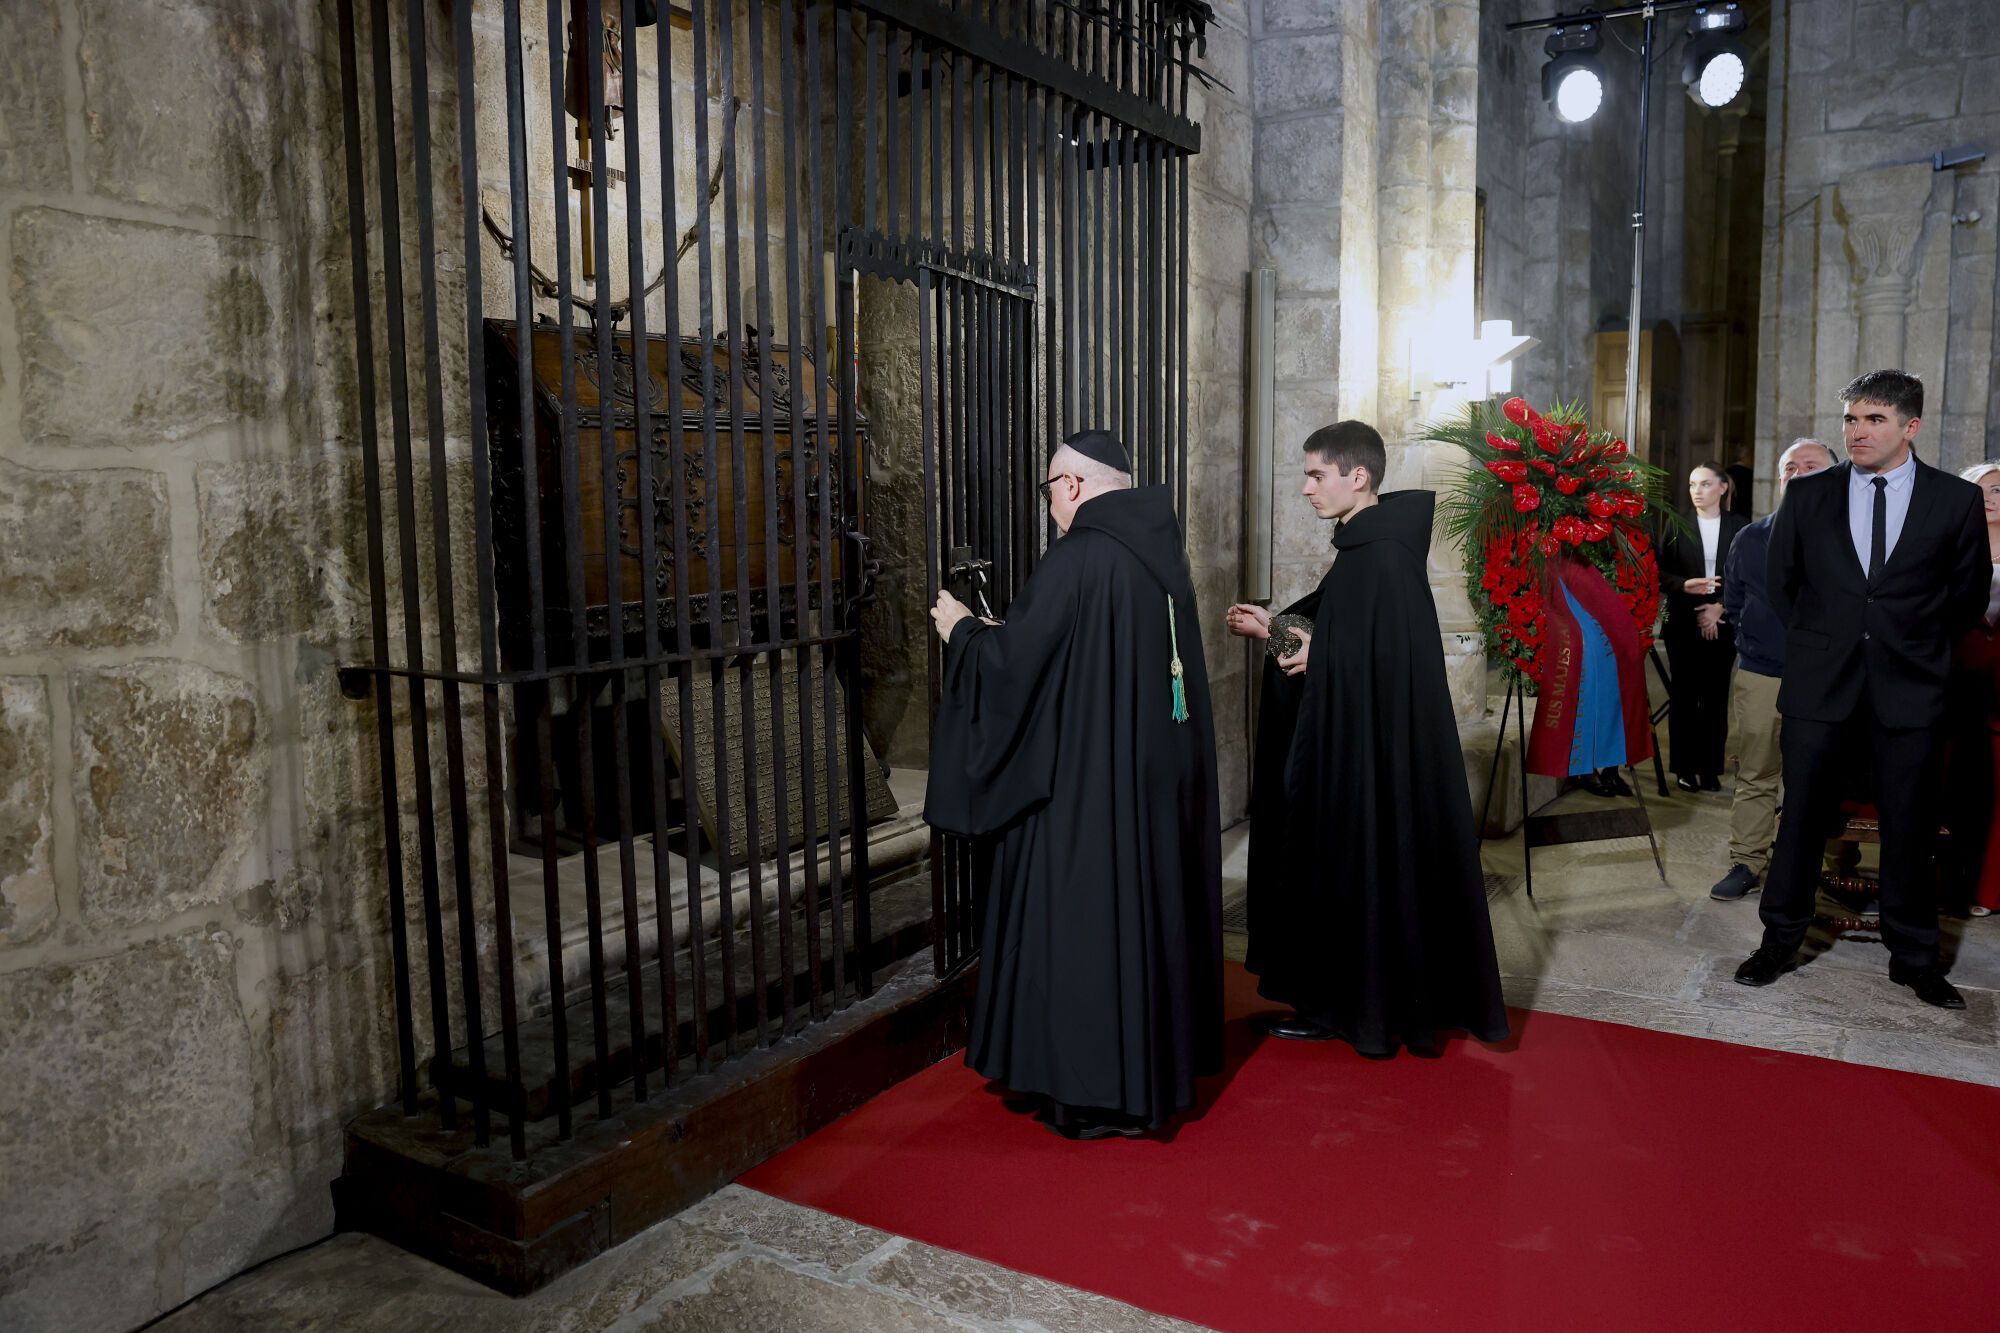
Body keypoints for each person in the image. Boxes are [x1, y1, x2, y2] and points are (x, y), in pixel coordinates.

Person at [926, 428, 1224, 1139]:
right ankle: (1148, 1075)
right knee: (1141, 919)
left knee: (1082, 927)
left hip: (1084, 790)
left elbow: (1015, 668)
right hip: (1144, 779)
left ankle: (1089, 1092)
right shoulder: (1161, 554)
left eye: (1049, 488)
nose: (1050, 503)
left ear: (1073, 485)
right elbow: (1083, 656)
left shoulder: (1078, 555)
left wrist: (964, 634)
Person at [1226, 421, 1508, 1055]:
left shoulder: (1383, 556)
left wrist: (1315, 651)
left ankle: (1350, 1009)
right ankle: (1347, 1001)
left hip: (1367, 760)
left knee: (1358, 869)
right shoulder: (1364, 547)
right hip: (1353, 748)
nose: (1306, 489)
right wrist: (1276, 630)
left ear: (1358, 476)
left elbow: (1388, 663)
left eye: (1316, 475)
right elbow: (1346, 639)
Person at [1734, 371, 1989, 1009]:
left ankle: (1916, 958)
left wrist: (1908, 646)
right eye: (1851, 419)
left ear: (1910, 426)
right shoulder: (1809, 494)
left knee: (1910, 826)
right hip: (1821, 686)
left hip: (1911, 688)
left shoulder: (1954, 499)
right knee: (1801, 819)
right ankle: (1779, 941)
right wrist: (1829, 640)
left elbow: (1965, 598)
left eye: (1874, 420)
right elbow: (1784, 584)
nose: (1858, 431)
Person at [1709, 439, 1837, 901]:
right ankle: (1746, 860)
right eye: (1790, 467)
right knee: (1757, 771)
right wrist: (1758, 642)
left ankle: (1818, 862)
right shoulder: (1752, 537)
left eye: (1811, 466)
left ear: (1836, 477)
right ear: (1780, 478)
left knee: (1820, 776)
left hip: (1826, 678)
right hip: (1763, 674)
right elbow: (1735, 602)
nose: (1799, 473)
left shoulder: (1853, 537)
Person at [1658, 463, 1749, 792]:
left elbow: (1746, 575)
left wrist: (1718, 607)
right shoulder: (1676, 523)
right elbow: (1660, 572)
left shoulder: (1740, 526)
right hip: (1683, 620)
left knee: (1715, 698)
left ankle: (1710, 768)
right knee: (1684, 696)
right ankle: (1683, 768)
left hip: (1723, 619)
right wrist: (1685, 585)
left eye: (1705, 484)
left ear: (1723, 488)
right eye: (1693, 484)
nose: (1697, 491)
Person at [1944, 461, 2000, 916]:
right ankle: (1948, 884)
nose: (1990, 498)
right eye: (1981, 489)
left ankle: (1988, 888)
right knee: (1954, 784)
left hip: (1999, 683)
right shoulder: (1949, 544)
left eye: (1998, 489)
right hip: (1954, 676)